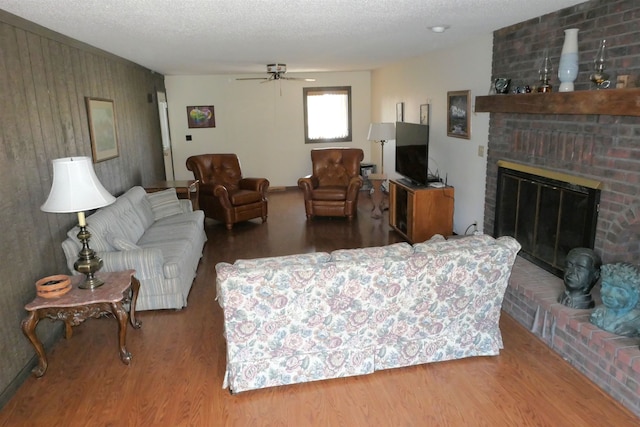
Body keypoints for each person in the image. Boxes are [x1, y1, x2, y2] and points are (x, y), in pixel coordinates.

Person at [590, 263, 640, 337]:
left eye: (619, 291)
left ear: (637, 295)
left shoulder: (636, 323)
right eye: (605, 286)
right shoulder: (597, 313)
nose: (609, 294)